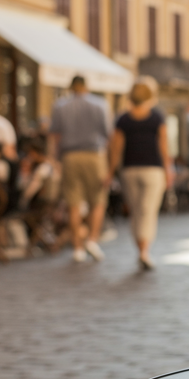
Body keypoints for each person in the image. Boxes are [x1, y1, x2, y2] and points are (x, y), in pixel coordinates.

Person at [107, 76, 172, 270]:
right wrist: (168, 170)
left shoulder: (123, 119)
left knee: (136, 211)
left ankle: (140, 249)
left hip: (129, 169)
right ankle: (145, 251)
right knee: (148, 211)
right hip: (153, 170)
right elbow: (164, 147)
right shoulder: (157, 117)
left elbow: (115, 149)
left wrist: (110, 172)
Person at [48, 75, 113, 263]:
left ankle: (77, 247)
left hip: (70, 156)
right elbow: (108, 134)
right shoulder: (100, 104)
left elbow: (55, 136)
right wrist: (109, 165)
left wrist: (55, 160)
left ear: (71, 87)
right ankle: (92, 239)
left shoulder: (60, 105)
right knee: (98, 200)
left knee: (73, 203)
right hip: (94, 155)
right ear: (86, 86)